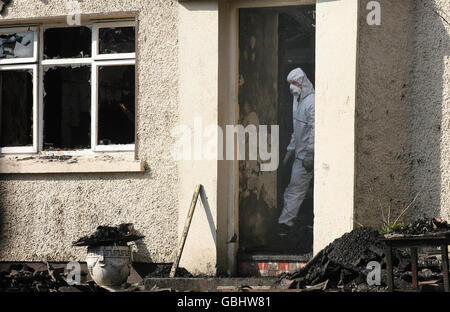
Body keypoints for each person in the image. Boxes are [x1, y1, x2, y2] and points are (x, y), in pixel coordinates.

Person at [278, 67, 315, 237]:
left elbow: (315, 131)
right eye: (290, 83)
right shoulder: (297, 100)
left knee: (295, 190)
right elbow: (297, 130)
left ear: (301, 82)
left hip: (308, 157)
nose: (291, 86)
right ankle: (290, 223)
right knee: (295, 190)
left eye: (293, 83)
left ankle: (285, 225)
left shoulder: (312, 102)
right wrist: (289, 153)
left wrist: (310, 154)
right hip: (300, 157)